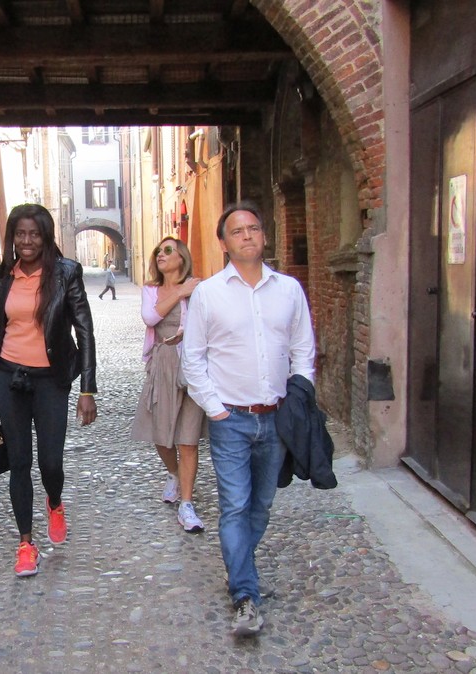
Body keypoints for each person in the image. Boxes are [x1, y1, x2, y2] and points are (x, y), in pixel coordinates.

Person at [181, 203, 316, 636]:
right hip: (231, 420)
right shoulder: (208, 294)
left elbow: (303, 350)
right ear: (224, 242)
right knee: (236, 506)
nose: (247, 236)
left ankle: (241, 570)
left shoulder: (289, 290)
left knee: (262, 505)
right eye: (237, 231)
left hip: (276, 419)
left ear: (264, 235)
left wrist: (299, 397)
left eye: (253, 228)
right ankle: (244, 596)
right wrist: (215, 408)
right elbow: (193, 358)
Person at [0, 203, 97, 577]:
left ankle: (54, 501)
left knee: (50, 462)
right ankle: (26, 544)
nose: (27, 241)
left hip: (51, 380)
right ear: (12, 237)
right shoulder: (2, 275)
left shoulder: (66, 272)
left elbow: (84, 330)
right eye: (20, 233)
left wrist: (87, 389)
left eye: (34, 234)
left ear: (46, 237)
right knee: (19, 462)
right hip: (11, 378)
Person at [131, 237, 207, 533]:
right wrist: (179, 292)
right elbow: (150, 317)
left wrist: (188, 291)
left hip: (191, 367)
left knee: (188, 438)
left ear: (181, 257)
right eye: (158, 251)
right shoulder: (151, 290)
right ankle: (173, 473)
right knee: (162, 435)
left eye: (167, 251)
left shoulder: (198, 288)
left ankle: (187, 504)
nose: (160, 255)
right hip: (163, 364)